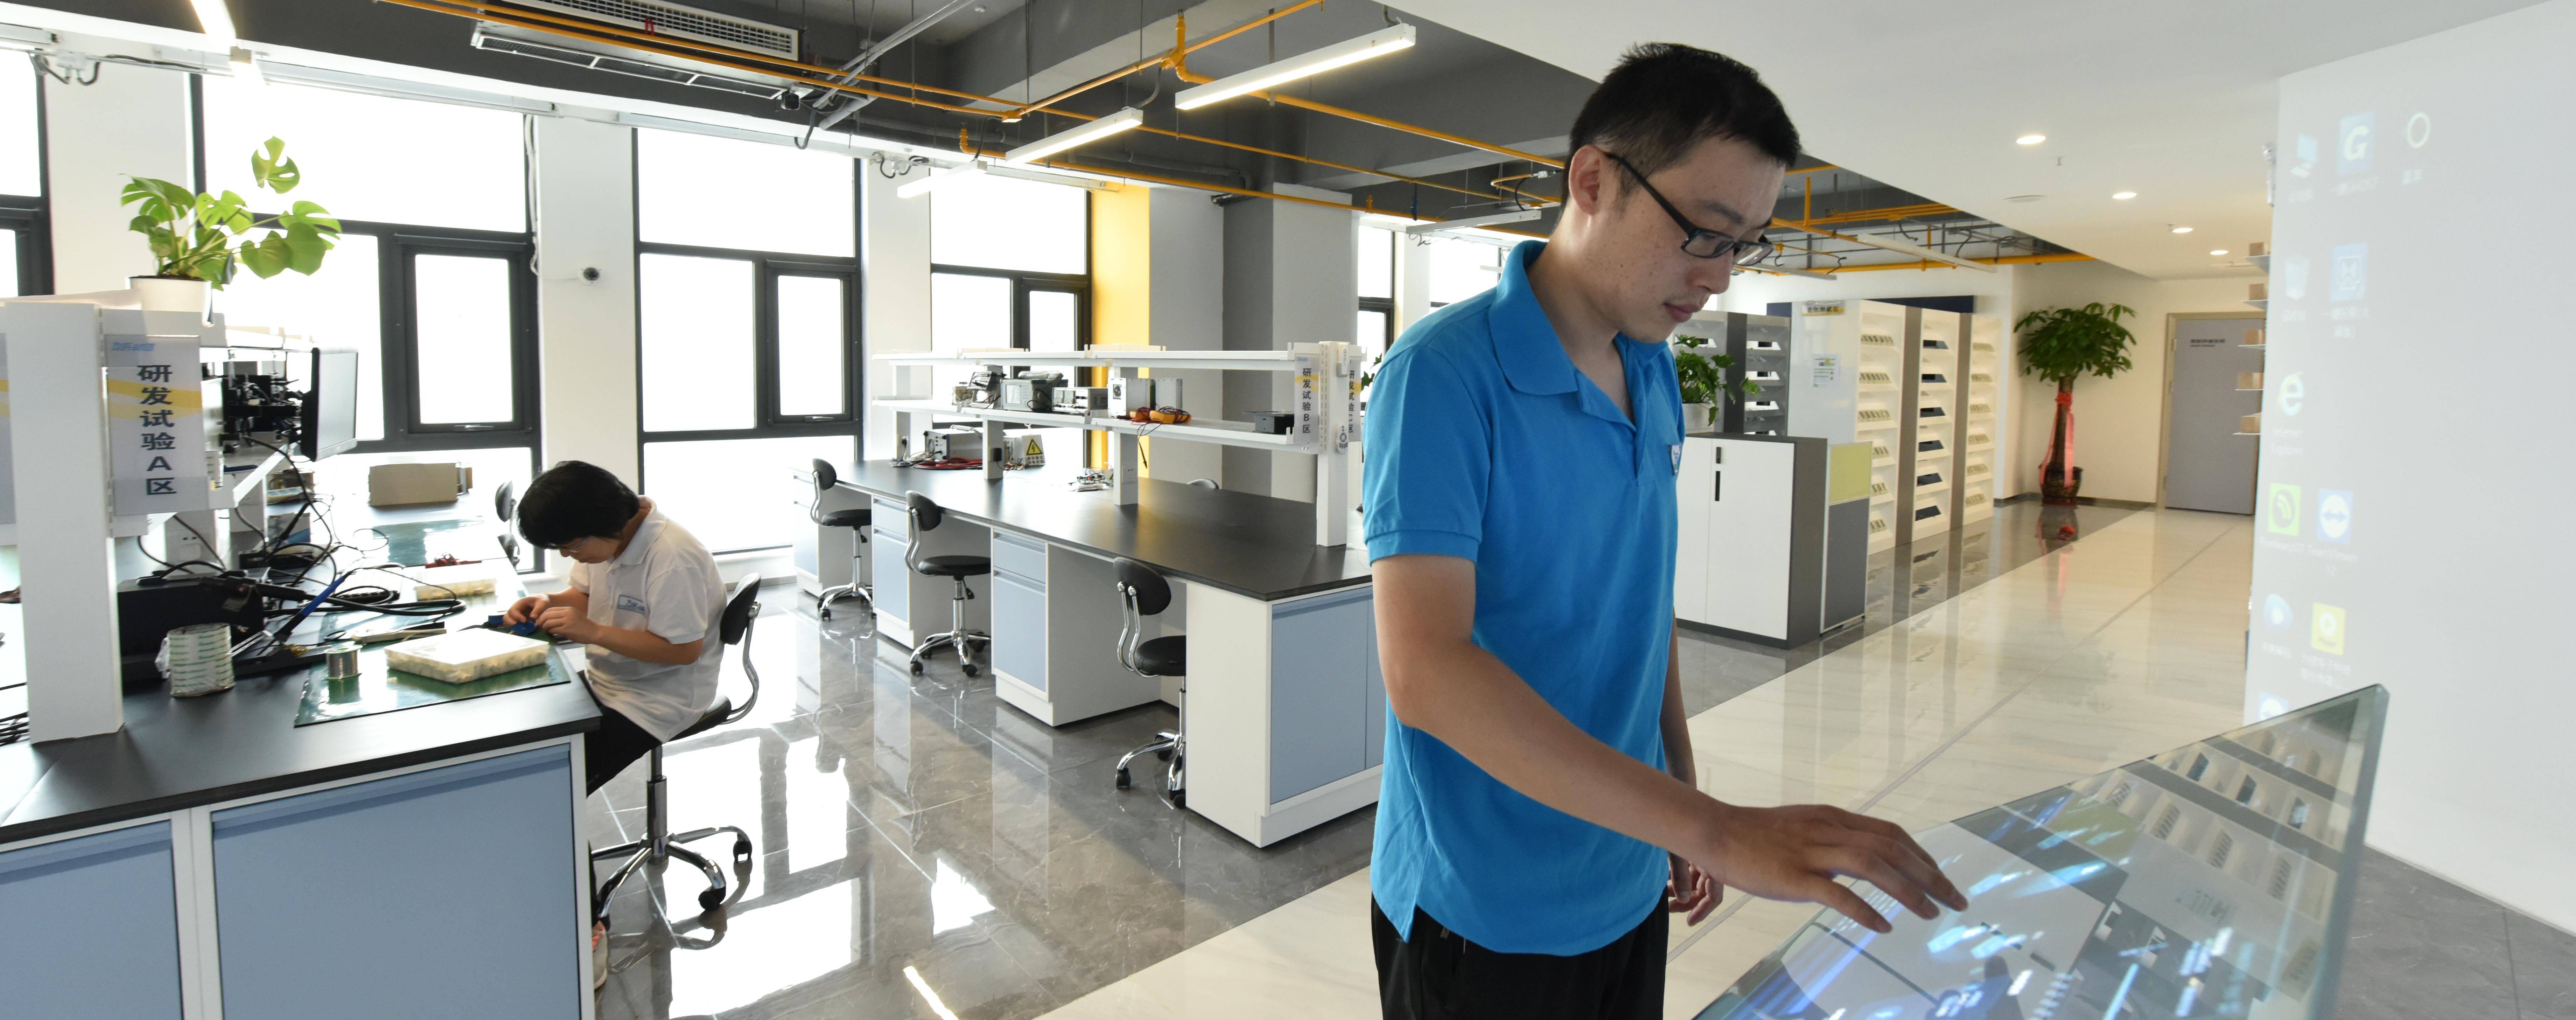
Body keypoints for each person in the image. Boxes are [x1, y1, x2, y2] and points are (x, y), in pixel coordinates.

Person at [1362, 44, 1967, 1019]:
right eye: (1703, 234)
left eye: (1743, 245)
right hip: (1487, 904)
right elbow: (1426, 670)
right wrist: (1714, 827)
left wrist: (1679, 793)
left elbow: (1639, 598)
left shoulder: (1649, 366)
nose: (1717, 279)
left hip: (1628, 861)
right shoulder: (1444, 374)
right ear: (1592, 181)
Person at [504, 460, 726, 795]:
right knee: (531, 743)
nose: (567, 555)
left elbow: (683, 651)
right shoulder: (607, 540)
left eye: (571, 546)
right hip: (609, 679)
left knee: (552, 789)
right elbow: (586, 595)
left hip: (659, 700)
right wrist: (548, 601)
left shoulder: (674, 559)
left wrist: (593, 632)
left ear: (602, 522)